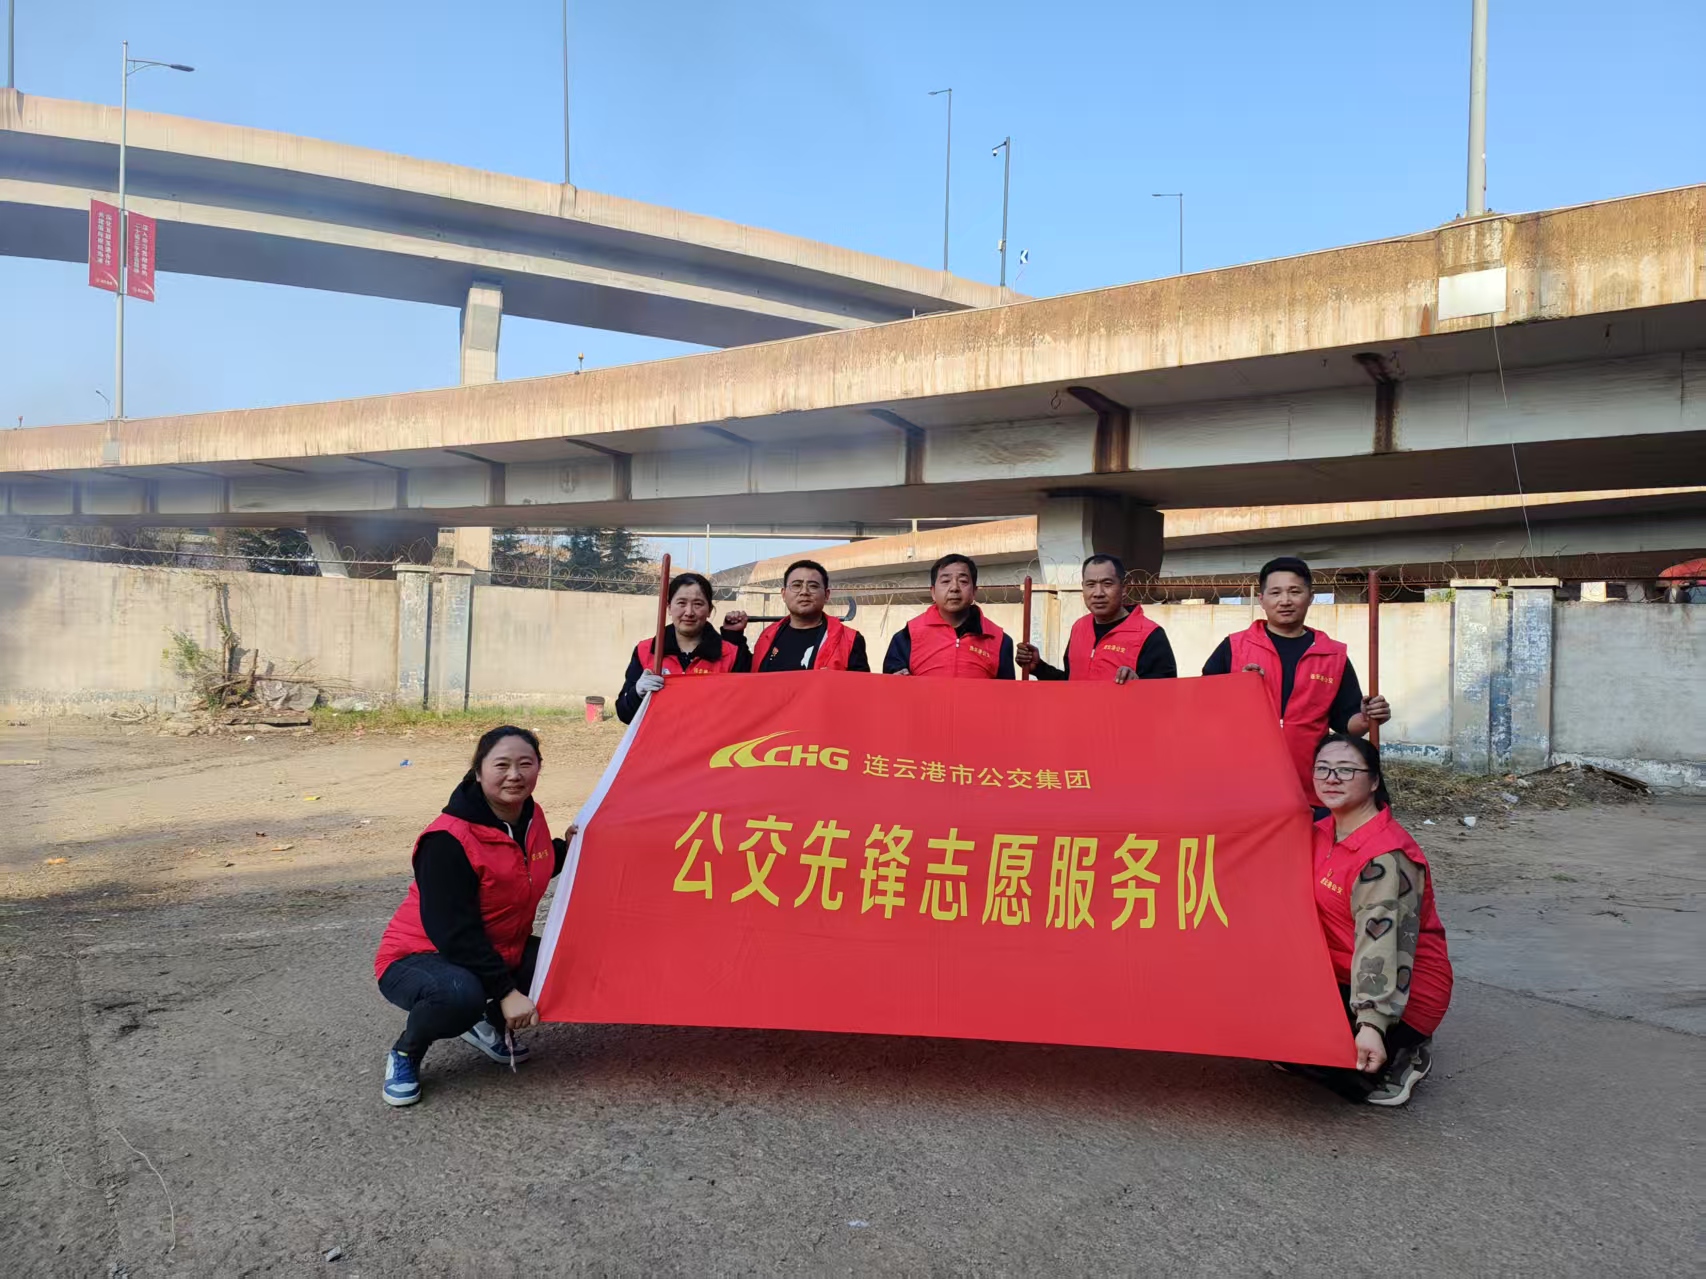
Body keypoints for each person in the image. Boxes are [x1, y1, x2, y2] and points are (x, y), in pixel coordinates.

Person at [373, 726, 577, 1108]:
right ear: (479, 771)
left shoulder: (531, 816)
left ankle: (487, 1025)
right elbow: (453, 933)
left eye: (525, 764)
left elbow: (529, 867)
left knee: (561, 964)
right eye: (502, 765)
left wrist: (573, 848)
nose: (514, 775)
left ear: (538, 767)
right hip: (420, 955)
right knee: (458, 996)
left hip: (496, 949)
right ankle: (406, 1052)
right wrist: (507, 992)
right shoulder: (447, 840)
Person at [1286, 733, 1453, 1107]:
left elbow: (1384, 946)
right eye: (1323, 769)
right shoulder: (1319, 832)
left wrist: (1372, 1024)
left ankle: (1404, 1053)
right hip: (1340, 976)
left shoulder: (1386, 858)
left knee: (1333, 1066)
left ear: (1374, 781)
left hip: (1400, 988)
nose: (1332, 778)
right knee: (1265, 1032)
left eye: (1346, 770)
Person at [1202, 556, 1390, 800]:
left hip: (1308, 785)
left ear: (1310, 597)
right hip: (1240, 781)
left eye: (1295, 591)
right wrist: (1237, 686)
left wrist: (1367, 718)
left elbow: (1347, 723)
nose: (1285, 601)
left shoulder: (1332, 655)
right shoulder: (1234, 647)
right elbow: (1205, 706)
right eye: (1275, 592)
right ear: (1261, 599)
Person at [615, 571, 752, 723]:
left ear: (709, 610)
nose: (689, 612)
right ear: (668, 608)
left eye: (698, 604)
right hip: (660, 738)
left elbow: (743, 711)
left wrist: (733, 636)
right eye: (681, 603)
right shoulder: (645, 651)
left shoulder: (731, 654)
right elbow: (624, 714)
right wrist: (636, 694)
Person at [1015, 554, 1177, 682]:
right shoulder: (1079, 628)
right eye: (1091, 584)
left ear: (1124, 588)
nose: (1098, 593)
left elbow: (1165, 696)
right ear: (1083, 588)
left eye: (1107, 584)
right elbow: (1071, 684)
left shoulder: (1150, 635)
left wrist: (1138, 686)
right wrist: (1039, 668)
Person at [883, 553, 1016, 679]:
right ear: (933, 592)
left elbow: (1007, 693)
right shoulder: (908, 636)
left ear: (974, 592)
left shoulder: (1000, 641)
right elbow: (890, 685)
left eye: (963, 581)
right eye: (946, 581)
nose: (954, 588)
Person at [738, 559, 871, 672]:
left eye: (813, 586)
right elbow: (749, 681)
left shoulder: (849, 640)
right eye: (796, 585)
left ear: (826, 595)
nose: (804, 592)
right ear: (783, 594)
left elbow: (860, 689)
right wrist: (734, 636)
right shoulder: (767, 636)